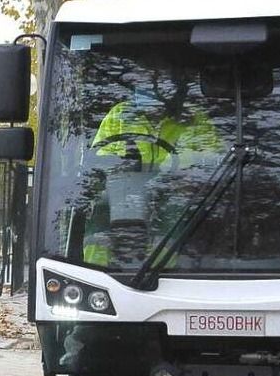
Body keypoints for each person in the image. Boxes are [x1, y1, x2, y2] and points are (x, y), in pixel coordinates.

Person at [80, 80, 222, 269]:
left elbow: (213, 158)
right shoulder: (120, 115)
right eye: (145, 81)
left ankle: (160, 270)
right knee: (101, 210)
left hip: (173, 188)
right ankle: (97, 271)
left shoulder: (193, 119)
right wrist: (119, 163)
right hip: (125, 186)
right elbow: (100, 156)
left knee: (174, 214)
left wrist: (180, 167)